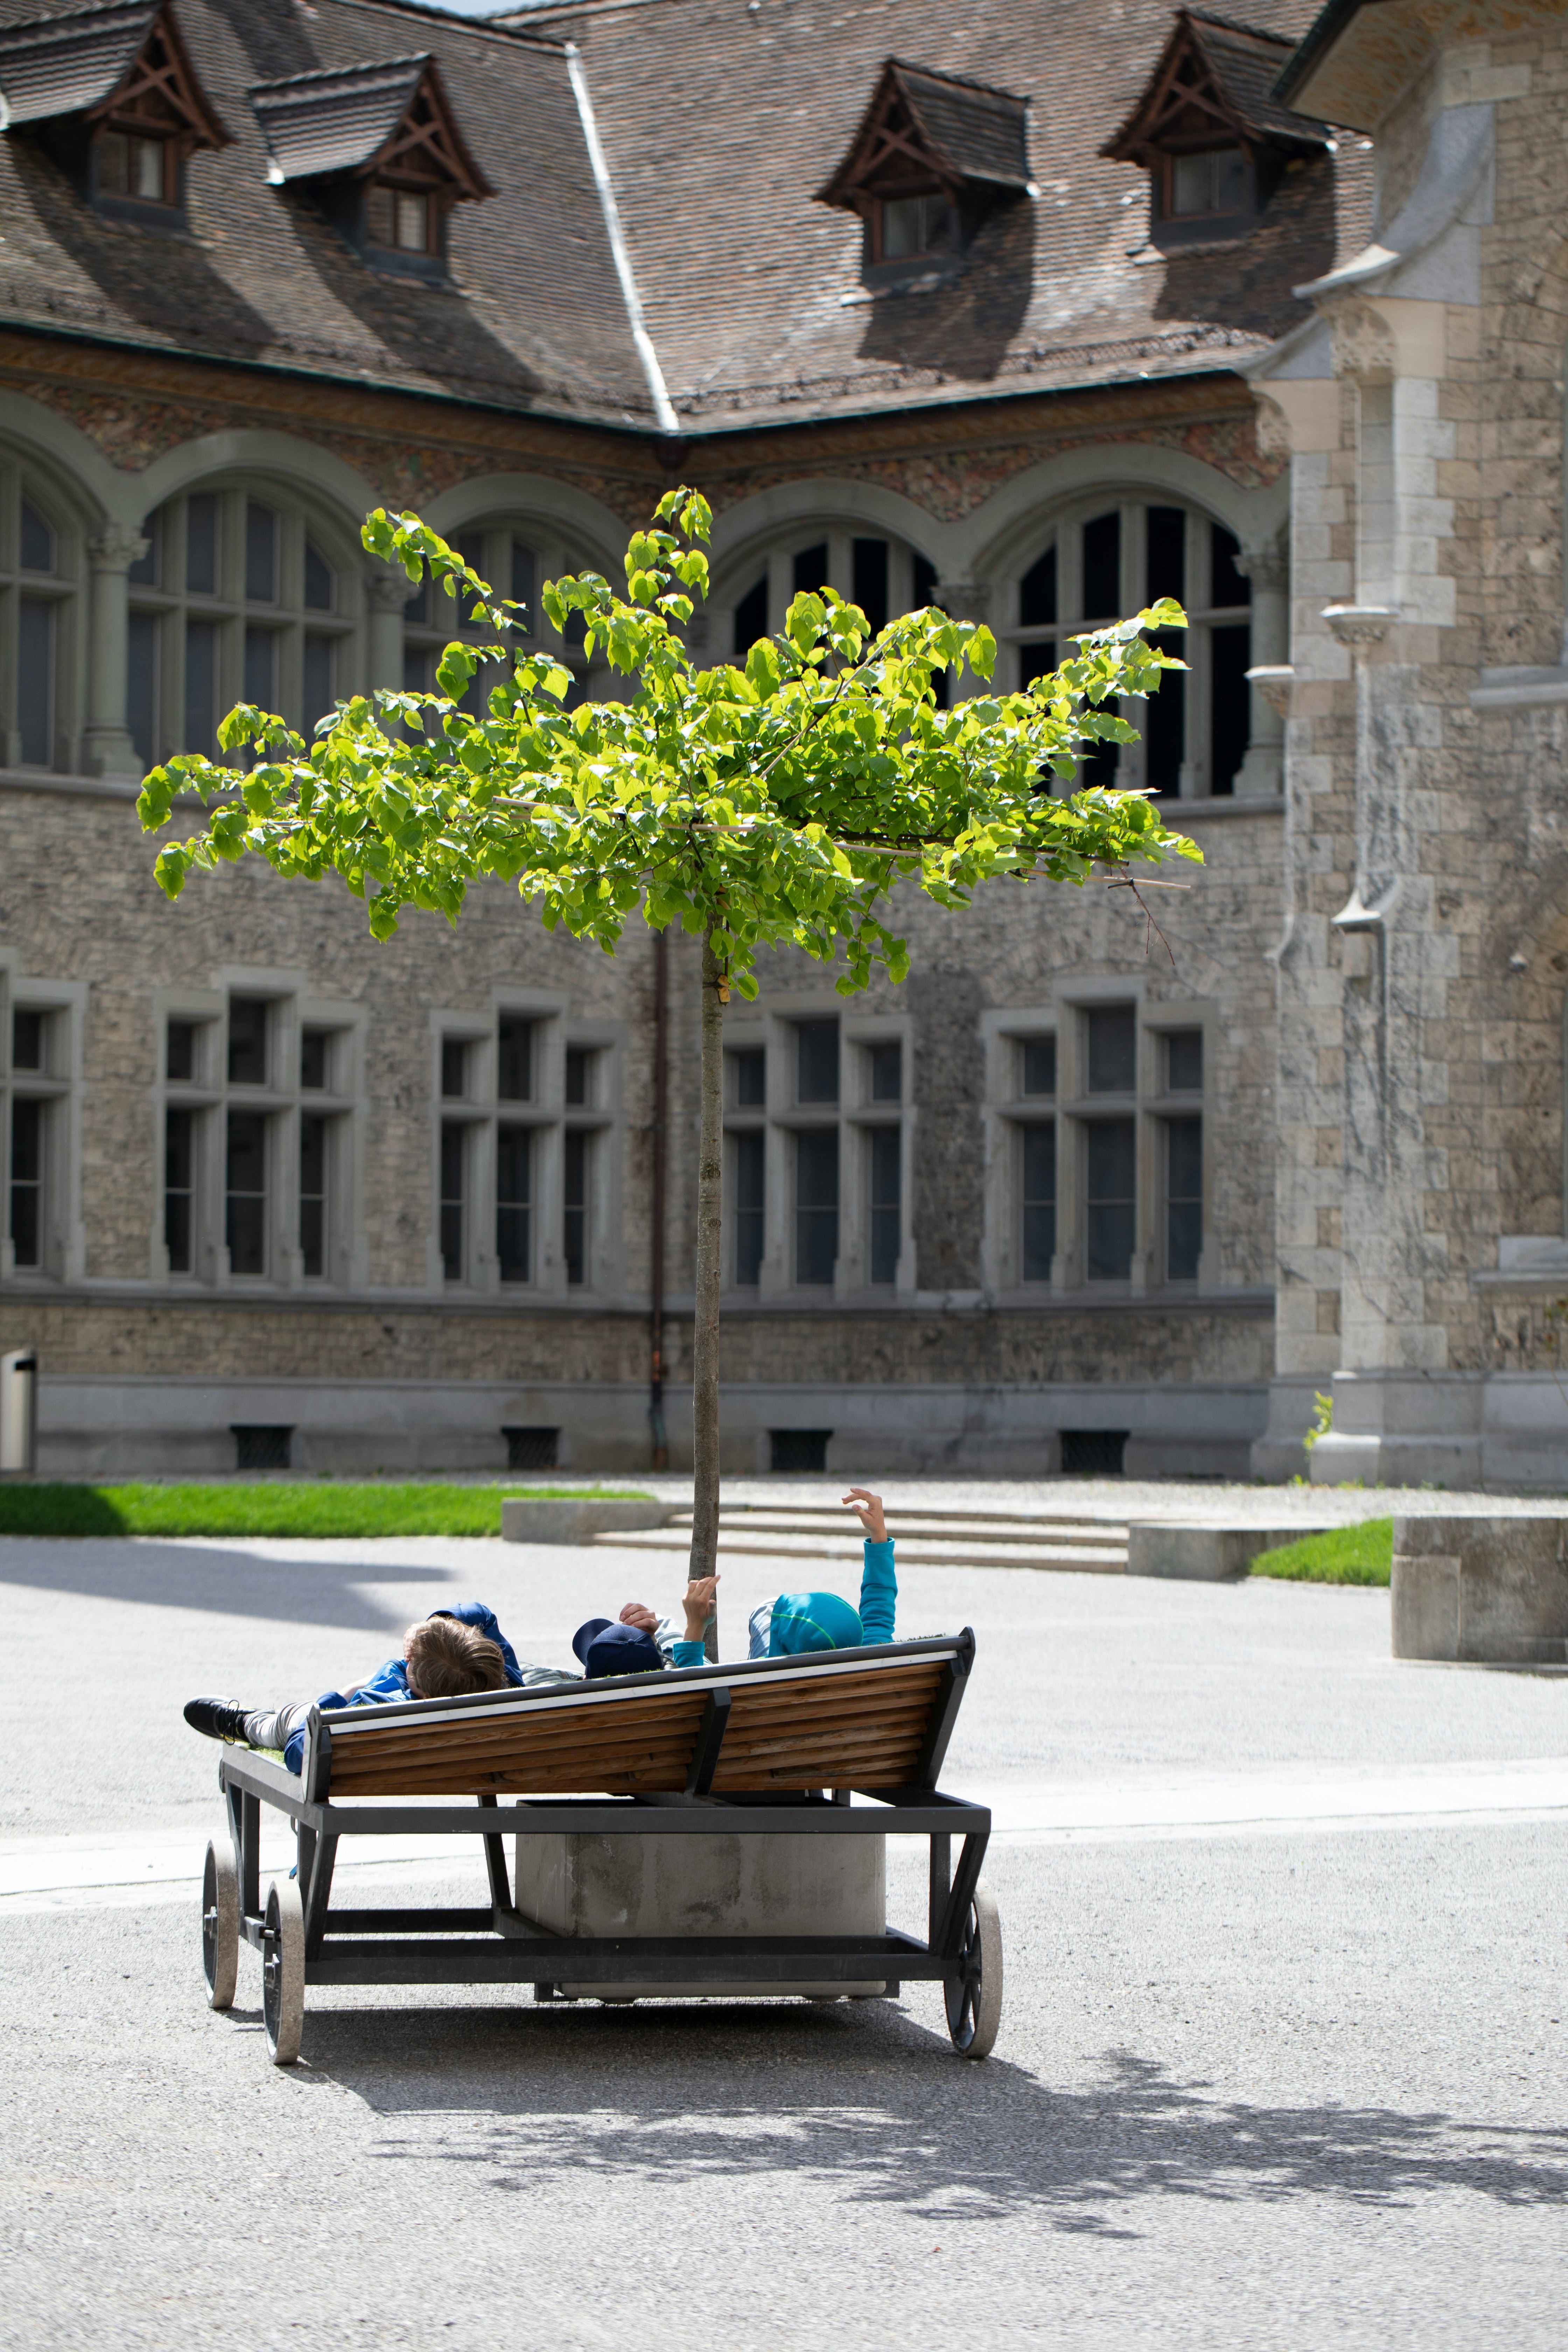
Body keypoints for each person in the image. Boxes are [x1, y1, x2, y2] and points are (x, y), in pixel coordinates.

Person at [183, 1596, 667, 1778]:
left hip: (336, 1721)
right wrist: (439, 1631)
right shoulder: (511, 1688)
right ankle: (256, 1720)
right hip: (495, 1756)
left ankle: (250, 1722)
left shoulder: (385, 1708)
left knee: (303, 1718)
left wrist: (338, 1702)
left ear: (414, 1675)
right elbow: (483, 1618)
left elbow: (302, 1753)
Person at [667, 1487, 895, 1667]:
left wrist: (695, 1625)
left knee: (668, 1631)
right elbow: (878, 1609)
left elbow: (692, 1683)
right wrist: (878, 1533)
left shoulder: (754, 1686)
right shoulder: (873, 1662)